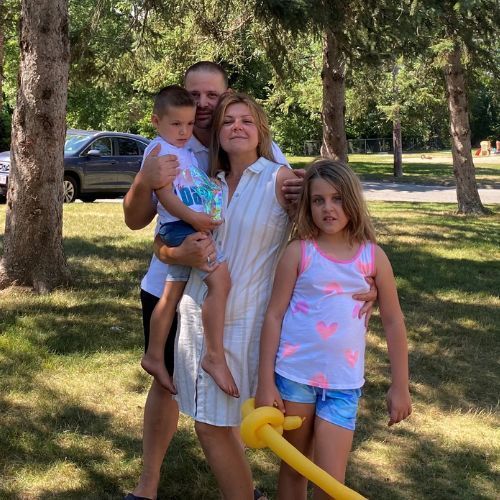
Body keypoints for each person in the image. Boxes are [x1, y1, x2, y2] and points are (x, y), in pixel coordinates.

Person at [169, 94, 377, 499]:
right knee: (209, 422)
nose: (236, 127)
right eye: (228, 121)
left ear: (261, 131)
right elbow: (169, 237)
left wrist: (367, 275)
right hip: (198, 315)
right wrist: (178, 251)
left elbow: (335, 213)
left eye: (247, 120)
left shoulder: (281, 178)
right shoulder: (206, 183)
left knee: (217, 425)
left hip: (250, 321)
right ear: (217, 134)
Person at [123, 62, 294, 500]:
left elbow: (302, 206)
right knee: (167, 384)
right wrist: (147, 183)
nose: (202, 105)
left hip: (222, 292)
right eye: (193, 95)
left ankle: (236, 481)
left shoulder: (254, 158)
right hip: (168, 282)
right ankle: (148, 484)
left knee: (213, 399)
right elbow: (136, 220)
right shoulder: (167, 145)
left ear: (226, 95)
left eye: (211, 97)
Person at [255, 159, 412, 499]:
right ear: (307, 206)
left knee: (330, 483)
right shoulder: (298, 253)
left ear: (352, 201)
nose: (328, 208)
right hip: (295, 379)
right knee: (295, 470)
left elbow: (394, 321)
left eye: (337, 198)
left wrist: (400, 386)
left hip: (343, 385)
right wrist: (265, 382)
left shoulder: (373, 258)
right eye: (318, 200)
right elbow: (274, 315)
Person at [141, 84, 238, 397]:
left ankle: (154, 355)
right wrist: (195, 220)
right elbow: (165, 194)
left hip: (183, 226)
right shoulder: (160, 152)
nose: (184, 131)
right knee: (220, 282)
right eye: (176, 124)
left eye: (188, 124)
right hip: (181, 228)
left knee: (170, 297)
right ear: (156, 122)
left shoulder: (178, 150)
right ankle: (213, 356)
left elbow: (188, 186)